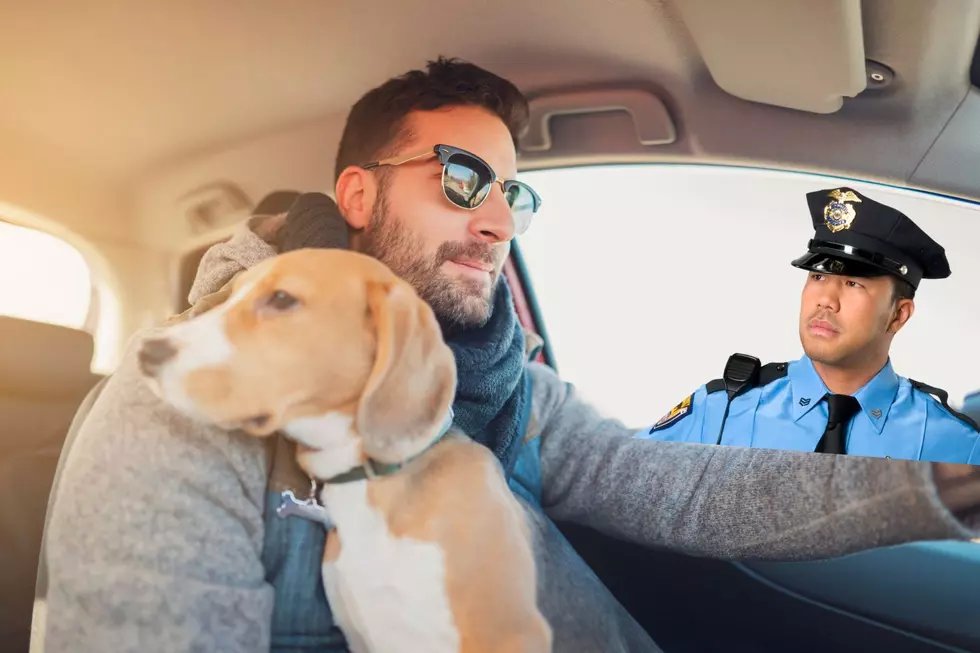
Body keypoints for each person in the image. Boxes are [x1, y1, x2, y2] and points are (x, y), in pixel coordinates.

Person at [41, 58, 980, 653]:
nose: (495, 220)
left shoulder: (508, 388)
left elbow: (681, 487)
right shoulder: (179, 405)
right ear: (360, 195)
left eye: (513, 197)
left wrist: (944, 486)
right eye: (461, 180)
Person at [637, 187, 980, 463]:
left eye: (853, 283)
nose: (826, 299)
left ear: (899, 314)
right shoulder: (722, 408)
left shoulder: (953, 442)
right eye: (818, 275)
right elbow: (619, 491)